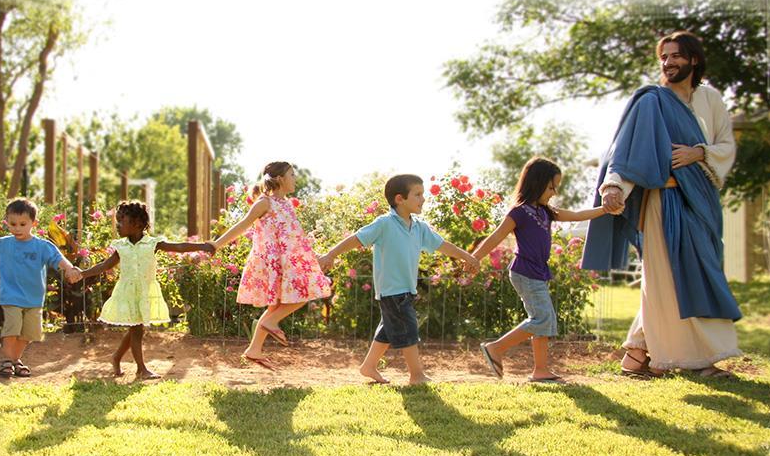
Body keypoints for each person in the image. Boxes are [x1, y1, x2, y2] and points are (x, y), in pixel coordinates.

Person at [582, 30, 742, 378]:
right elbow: (626, 150)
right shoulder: (651, 101)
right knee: (671, 276)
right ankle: (697, 360)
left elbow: (726, 146)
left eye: (676, 56)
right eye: (664, 57)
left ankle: (636, 355)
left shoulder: (710, 99)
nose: (668, 62)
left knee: (693, 271)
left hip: (701, 201)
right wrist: (614, 185)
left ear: (694, 60)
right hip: (664, 201)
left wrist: (700, 152)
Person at [318, 174, 480, 385]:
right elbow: (356, 238)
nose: (423, 199)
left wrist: (468, 256)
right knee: (408, 329)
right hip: (392, 289)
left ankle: (369, 366)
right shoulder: (384, 223)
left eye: (423, 194)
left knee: (388, 329)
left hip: (406, 288)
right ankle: (416, 375)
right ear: (399, 199)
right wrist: (330, 254)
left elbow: (442, 245)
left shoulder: (419, 227)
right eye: (418, 194)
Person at [471, 157, 612, 383]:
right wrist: (474, 257)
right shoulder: (519, 212)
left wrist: (605, 209)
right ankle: (495, 348)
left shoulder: (546, 211)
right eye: (551, 187)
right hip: (524, 272)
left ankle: (541, 370)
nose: (554, 192)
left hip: (536, 272)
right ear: (536, 184)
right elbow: (496, 236)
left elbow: (577, 215)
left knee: (543, 319)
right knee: (542, 318)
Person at [211, 162, 331, 371]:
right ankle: (270, 322)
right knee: (302, 294)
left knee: (276, 305)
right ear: (280, 179)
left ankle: (254, 350)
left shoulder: (286, 203)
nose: (295, 179)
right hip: (273, 260)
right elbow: (242, 225)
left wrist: (312, 255)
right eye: (292, 175)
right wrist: (216, 245)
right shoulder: (264, 202)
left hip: (288, 259)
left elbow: (294, 234)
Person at [77, 201, 215, 380]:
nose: (118, 225)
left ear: (137, 223)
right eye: (118, 220)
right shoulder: (121, 246)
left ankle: (117, 357)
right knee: (136, 329)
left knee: (137, 328)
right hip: (127, 292)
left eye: (122, 221)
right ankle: (141, 369)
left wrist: (203, 246)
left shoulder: (152, 243)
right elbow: (105, 266)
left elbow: (178, 247)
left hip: (144, 291)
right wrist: (82, 274)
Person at [0, 199, 83, 377]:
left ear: (34, 223)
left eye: (22, 224)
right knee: (12, 328)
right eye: (13, 224)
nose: (17, 228)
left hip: (34, 298)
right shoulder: (5, 243)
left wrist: (70, 269)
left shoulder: (42, 246)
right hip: (11, 295)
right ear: (7, 223)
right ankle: (7, 361)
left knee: (29, 333)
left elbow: (58, 259)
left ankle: (15, 360)